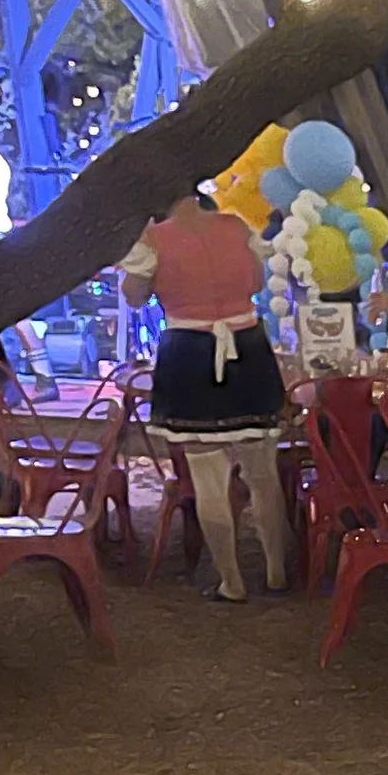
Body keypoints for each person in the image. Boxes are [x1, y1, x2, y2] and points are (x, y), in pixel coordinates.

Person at [120, 188, 289, 599]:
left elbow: (134, 295)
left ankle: (231, 581)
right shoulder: (236, 227)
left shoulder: (155, 239)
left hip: (189, 351)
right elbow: (255, 280)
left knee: (208, 478)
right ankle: (276, 571)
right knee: (263, 473)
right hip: (246, 344)